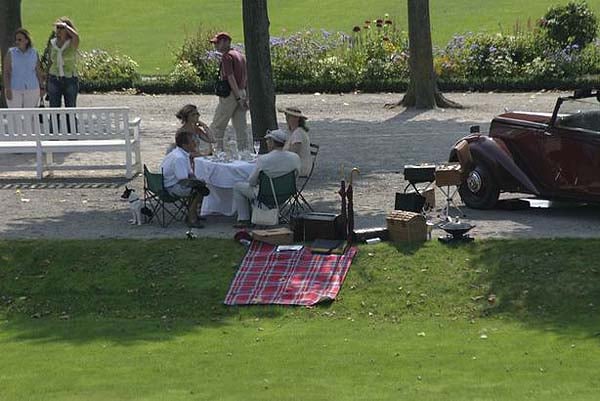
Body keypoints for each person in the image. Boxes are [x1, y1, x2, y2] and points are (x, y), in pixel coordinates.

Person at [232, 129, 301, 228]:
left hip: (266, 195)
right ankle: (265, 211)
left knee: (238, 187)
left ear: (273, 142)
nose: (267, 143)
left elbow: (251, 181)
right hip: (287, 194)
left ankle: (244, 218)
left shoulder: (264, 159)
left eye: (268, 140)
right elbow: (296, 176)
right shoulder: (295, 157)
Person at [160, 131, 211, 228]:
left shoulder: (180, 153)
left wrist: (198, 181)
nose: (195, 143)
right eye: (192, 141)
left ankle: (193, 213)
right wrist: (199, 183)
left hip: (169, 183)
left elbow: (190, 174)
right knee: (200, 190)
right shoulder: (179, 158)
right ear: (185, 145)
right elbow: (183, 180)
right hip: (171, 187)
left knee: (200, 186)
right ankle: (191, 217)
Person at [208, 32, 249, 152]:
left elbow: (230, 78)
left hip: (231, 95)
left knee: (217, 125)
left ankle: (216, 152)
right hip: (242, 92)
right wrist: (245, 97)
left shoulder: (227, 57)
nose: (215, 46)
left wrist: (237, 98)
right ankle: (244, 152)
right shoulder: (241, 56)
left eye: (217, 43)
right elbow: (247, 78)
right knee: (241, 127)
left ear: (226, 42)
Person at [2, 28, 45, 108]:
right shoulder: (10, 53)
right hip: (14, 88)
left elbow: (38, 71)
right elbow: (6, 72)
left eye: (20, 39)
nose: (17, 42)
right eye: (16, 40)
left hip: (32, 88)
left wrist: (42, 87)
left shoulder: (34, 52)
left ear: (26, 40)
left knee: (30, 116)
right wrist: (7, 88)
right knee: (15, 115)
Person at [46, 17, 79, 107]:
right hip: (54, 78)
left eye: (62, 28)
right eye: (58, 28)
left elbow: (76, 36)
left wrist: (66, 26)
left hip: (69, 79)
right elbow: (50, 61)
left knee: (70, 107)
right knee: (54, 108)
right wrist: (47, 79)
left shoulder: (72, 43)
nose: (59, 30)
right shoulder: (52, 43)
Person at [280, 106, 312, 177]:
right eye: (286, 116)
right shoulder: (293, 132)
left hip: (300, 167)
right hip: (294, 165)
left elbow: (293, 153)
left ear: (297, 119)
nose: (286, 119)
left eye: (289, 116)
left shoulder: (298, 133)